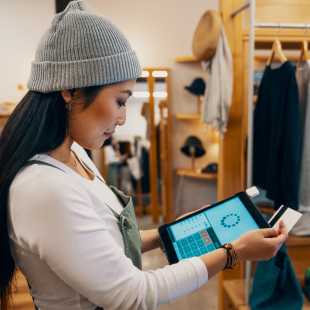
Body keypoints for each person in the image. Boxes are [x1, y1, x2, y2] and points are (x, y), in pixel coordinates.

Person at [0, 1, 288, 310]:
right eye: (120, 101)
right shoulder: (43, 188)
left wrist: (169, 233)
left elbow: (102, 244)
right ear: (70, 90)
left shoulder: (76, 156)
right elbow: (132, 294)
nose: (123, 119)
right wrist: (232, 252)